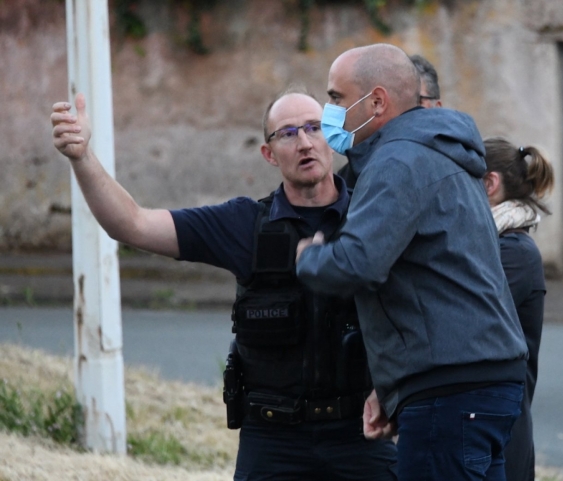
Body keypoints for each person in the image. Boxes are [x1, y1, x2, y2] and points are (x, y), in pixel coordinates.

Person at [51, 88, 397, 481]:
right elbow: (131, 224)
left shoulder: (373, 216)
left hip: (362, 434)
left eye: (314, 128)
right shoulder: (244, 225)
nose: (303, 142)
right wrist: (82, 157)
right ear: (268, 154)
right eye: (287, 134)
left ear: (331, 138)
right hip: (272, 441)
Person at [295, 43, 528, 481]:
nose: (329, 112)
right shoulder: (444, 153)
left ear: (377, 101)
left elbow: (358, 262)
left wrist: (310, 257)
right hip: (482, 383)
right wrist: (393, 388)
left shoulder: (399, 160)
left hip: (451, 390)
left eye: (336, 98)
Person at [482, 138, 554, 481]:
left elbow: (471, 318)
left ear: (490, 184)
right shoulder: (494, 244)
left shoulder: (515, 253)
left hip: (501, 433)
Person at [338, 53, 441, 188]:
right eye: (397, 100)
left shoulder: (456, 163)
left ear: (437, 108)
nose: (404, 110)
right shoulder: (351, 176)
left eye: (415, 101)